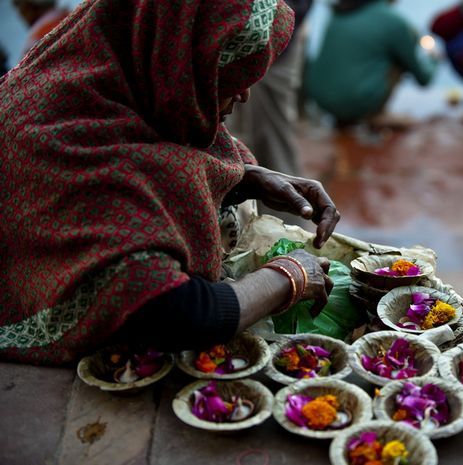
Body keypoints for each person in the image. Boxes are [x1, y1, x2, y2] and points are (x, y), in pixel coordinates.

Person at [0, 0, 341, 365]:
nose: (244, 94)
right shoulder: (62, 138)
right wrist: (288, 276)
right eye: (224, 69)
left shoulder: (106, 77)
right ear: (175, 59)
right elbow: (166, 310)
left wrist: (244, 178)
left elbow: (163, 163)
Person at [226, 0, 313, 227]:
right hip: (246, 33)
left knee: (272, 144)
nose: (244, 94)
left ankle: (287, 233)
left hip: (267, 36)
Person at [304, 0, 438, 127]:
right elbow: (424, 79)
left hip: (320, 99)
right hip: (355, 103)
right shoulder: (395, 22)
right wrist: (434, 58)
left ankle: (344, 115)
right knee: (399, 58)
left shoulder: (340, 10)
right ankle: (375, 114)